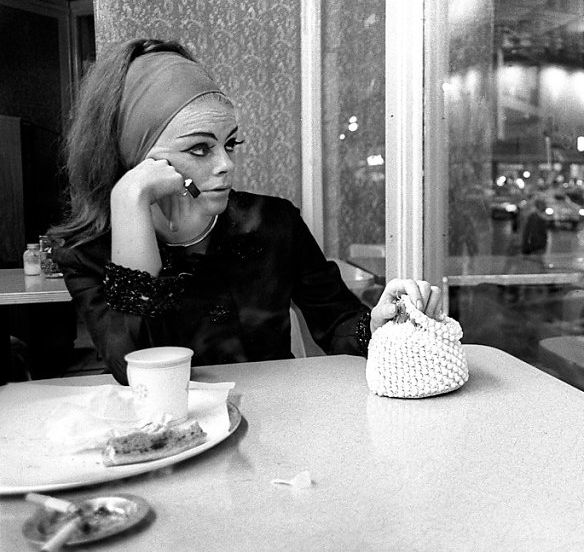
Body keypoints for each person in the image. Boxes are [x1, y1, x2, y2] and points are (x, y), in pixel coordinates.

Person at [51, 38, 440, 385]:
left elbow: (336, 319)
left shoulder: (274, 222)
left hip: (280, 427)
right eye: (200, 149)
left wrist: (377, 324)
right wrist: (129, 199)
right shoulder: (87, 253)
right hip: (174, 442)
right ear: (138, 157)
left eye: (230, 144)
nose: (226, 164)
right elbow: (132, 371)